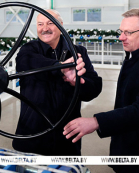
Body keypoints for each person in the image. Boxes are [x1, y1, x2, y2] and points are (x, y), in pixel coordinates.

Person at [63, 9, 139, 172]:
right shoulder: (133, 56)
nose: (121, 37)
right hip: (127, 150)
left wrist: (96, 122)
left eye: (128, 33)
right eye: (121, 31)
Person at [12, 9, 102, 155]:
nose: (45, 28)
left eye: (50, 23)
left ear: (60, 25)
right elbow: (27, 63)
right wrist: (61, 68)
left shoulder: (78, 52)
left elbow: (95, 87)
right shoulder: (28, 50)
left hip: (67, 135)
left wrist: (79, 82)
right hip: (32, 133)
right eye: (40, 24)